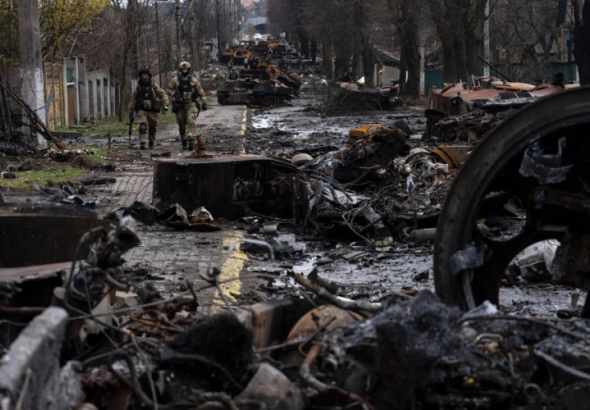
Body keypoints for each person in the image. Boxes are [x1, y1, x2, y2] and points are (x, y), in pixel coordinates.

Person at [168, 61, 208, 152]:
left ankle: (190, 140)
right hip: (180, 105)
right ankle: (184, 142)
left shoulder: (193, 80)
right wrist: (175, 94)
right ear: (180, 70)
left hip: (191, 104)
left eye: (186, 69)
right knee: (182, 125)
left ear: (188, 70)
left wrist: (204, 102)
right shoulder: (175, 80)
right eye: (183, 69)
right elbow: (168, 90)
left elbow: (200, 91)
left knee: (191, 121)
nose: (184, 71)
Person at [129, 68, 169, 150]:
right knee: (142, 126)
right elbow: (133, 99)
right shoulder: (138, 87)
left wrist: (165, 104)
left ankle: (151, 142)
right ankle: (142, 142)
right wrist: (131, 111)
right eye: (142, 76)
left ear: (149, 76)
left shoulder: (154, 86)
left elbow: (162, 94)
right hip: (142, 110)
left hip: (152, 110)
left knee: (152, 128)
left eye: (146, 76)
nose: (144, 77)